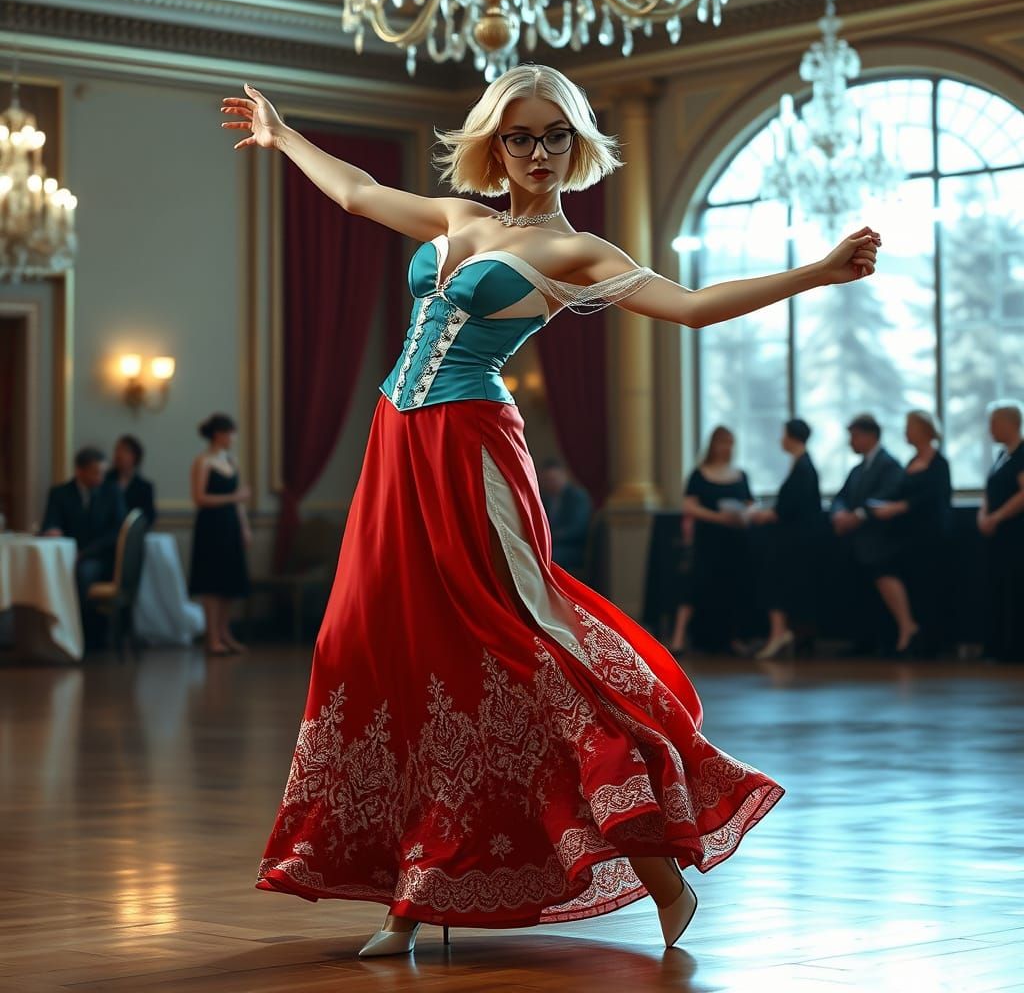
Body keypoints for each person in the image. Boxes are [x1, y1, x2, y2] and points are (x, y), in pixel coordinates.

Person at [221, 65, 878, 957]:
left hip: (472, 451)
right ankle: (413, 893)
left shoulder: (581, 255)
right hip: (395, 448)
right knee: (382, 650)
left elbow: (690, 309)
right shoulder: (462, 218)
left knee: (523, 647)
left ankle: (656, 872)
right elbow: (359, 193)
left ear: (577, 145)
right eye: (522, 136)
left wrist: (819, 272)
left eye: (555, 137)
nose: (538, 152)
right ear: (496, 141)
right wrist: (283, 133)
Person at [870, 410, 952, 656]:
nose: (905, 432)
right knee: (889, 573)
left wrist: (899, 507)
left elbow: (934, 498)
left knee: (929, 588)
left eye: (909, 427)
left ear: (923, 430)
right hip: (906, 536)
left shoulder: (939, 463)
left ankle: (929, 642)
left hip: (930, 536)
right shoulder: (910, 462)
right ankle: (908, 629)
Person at [669, 426, 754, 655]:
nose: (726, 448)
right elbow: (689, 506)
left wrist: (740, 517)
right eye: (722, 443)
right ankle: (679, 638)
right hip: (708, 539)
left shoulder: (740, 475)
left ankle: (733, 638)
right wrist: (718, 517)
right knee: (695, 585)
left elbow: (749, 505)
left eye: (730, 443)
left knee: (733, 587)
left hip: (734, 540)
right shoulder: (699, 474)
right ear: (713, 445)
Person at [831, 413, 912, 653]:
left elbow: (888, 495)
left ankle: (887, 640)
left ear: (870, 436)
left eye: (854, 436)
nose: (851, 442)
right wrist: (838, 514)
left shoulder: (889, 465)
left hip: (880, 543)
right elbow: (841, 497)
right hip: (857, 544)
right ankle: (863, 641)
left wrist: (857, 516)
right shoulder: (857, 470)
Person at [750, 419, 822, 660]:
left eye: (783, 434)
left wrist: (763, 515)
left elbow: (789, 508)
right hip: (797, 540)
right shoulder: (802, 464)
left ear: (792, 437)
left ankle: (779, 633)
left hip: (792, 542)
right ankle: (781, 634)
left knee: (776, 584)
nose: (781, 439)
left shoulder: (802, 467)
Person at [41, 446, 126, 646]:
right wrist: (53, 530)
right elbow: (50, 523)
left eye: (103, 472)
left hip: (99, 556)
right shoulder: (60, 493)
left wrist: (85, 553)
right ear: (80, 471)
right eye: (96, 472)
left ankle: (86, 635)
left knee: (84, 573)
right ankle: (55, 634)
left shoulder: (111, 492)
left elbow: (117, 531)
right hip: (65, 555)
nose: (101, 477)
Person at [188, 413, 251, 656]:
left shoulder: (232, 461)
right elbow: (199, 497)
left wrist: (244, 527)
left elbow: (238, 502)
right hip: (210, 526)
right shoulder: (202, 461)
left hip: (230, 525)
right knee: (211, 583)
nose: (234, 438)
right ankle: (212, 637)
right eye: (231, 433)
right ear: (219, 434)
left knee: (228, 582)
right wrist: (234, 498)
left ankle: (225, 633)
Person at [977, 400, 1024, 662]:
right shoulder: (1001, 456)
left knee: (1016, 590)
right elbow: (990, 491)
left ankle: (1015, 649)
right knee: (997, 589)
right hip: (998, 535)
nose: (990, 429)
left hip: (1016, 535)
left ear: (1010, 423)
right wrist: (984, 514)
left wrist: (998, 516)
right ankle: (997, 646)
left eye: (994, 423)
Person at [538, 457, 592, 575]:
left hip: (572, 549)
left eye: (553, 479)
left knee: (548, 558)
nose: (551, 484)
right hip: (549, 545)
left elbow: (578, 529)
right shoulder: (544, 499)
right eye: (547, 480)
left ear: (564, 476)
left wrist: (550, 537)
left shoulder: (577, 497)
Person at [107, 434, 157, 528]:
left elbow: (149, 517)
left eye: (125, 451)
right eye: (117, 450)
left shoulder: (144, 487)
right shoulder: (104, 481)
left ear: (135, 456)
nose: (119, 455)